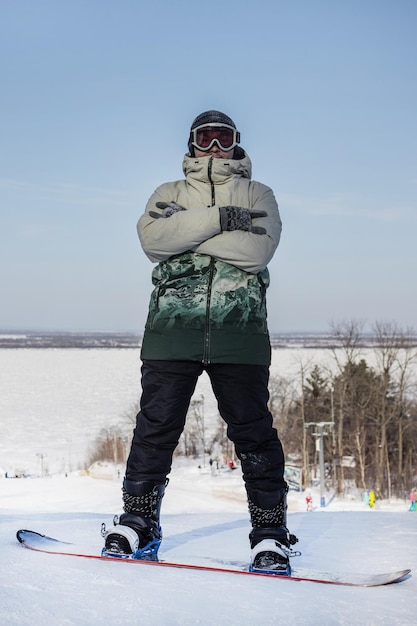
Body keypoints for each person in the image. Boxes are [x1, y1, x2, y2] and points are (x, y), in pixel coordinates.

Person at [102, 110, 298, 572]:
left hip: (241, 332)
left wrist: (187, 230)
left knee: (253, 435)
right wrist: (221, 221)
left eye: (223, 137)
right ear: (190, 144)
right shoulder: (166, 193)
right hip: (172, 332)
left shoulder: (258, 193)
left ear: (237, 142)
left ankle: (269, 534)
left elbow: (257, 252)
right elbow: (152, 241)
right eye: (204, 138)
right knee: (154, 431)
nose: (214, 147)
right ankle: (138, 521)